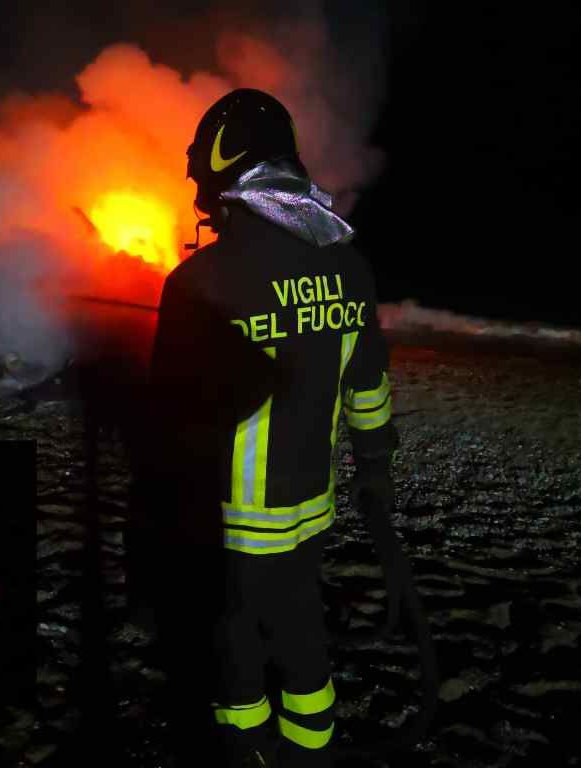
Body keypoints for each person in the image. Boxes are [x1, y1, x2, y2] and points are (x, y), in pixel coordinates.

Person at [144, 89, 399, 767]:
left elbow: (169, 421)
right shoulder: (348, 265)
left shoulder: (200, 281)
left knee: (232, 636)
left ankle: (243, 747)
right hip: (311, 507)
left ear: (229, 161)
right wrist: (374, 466)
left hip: (230, 518)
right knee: (300, 623)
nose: (195, 177)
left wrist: (162, 517)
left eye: (201, 163)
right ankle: (312, 749)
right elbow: (368, 384)